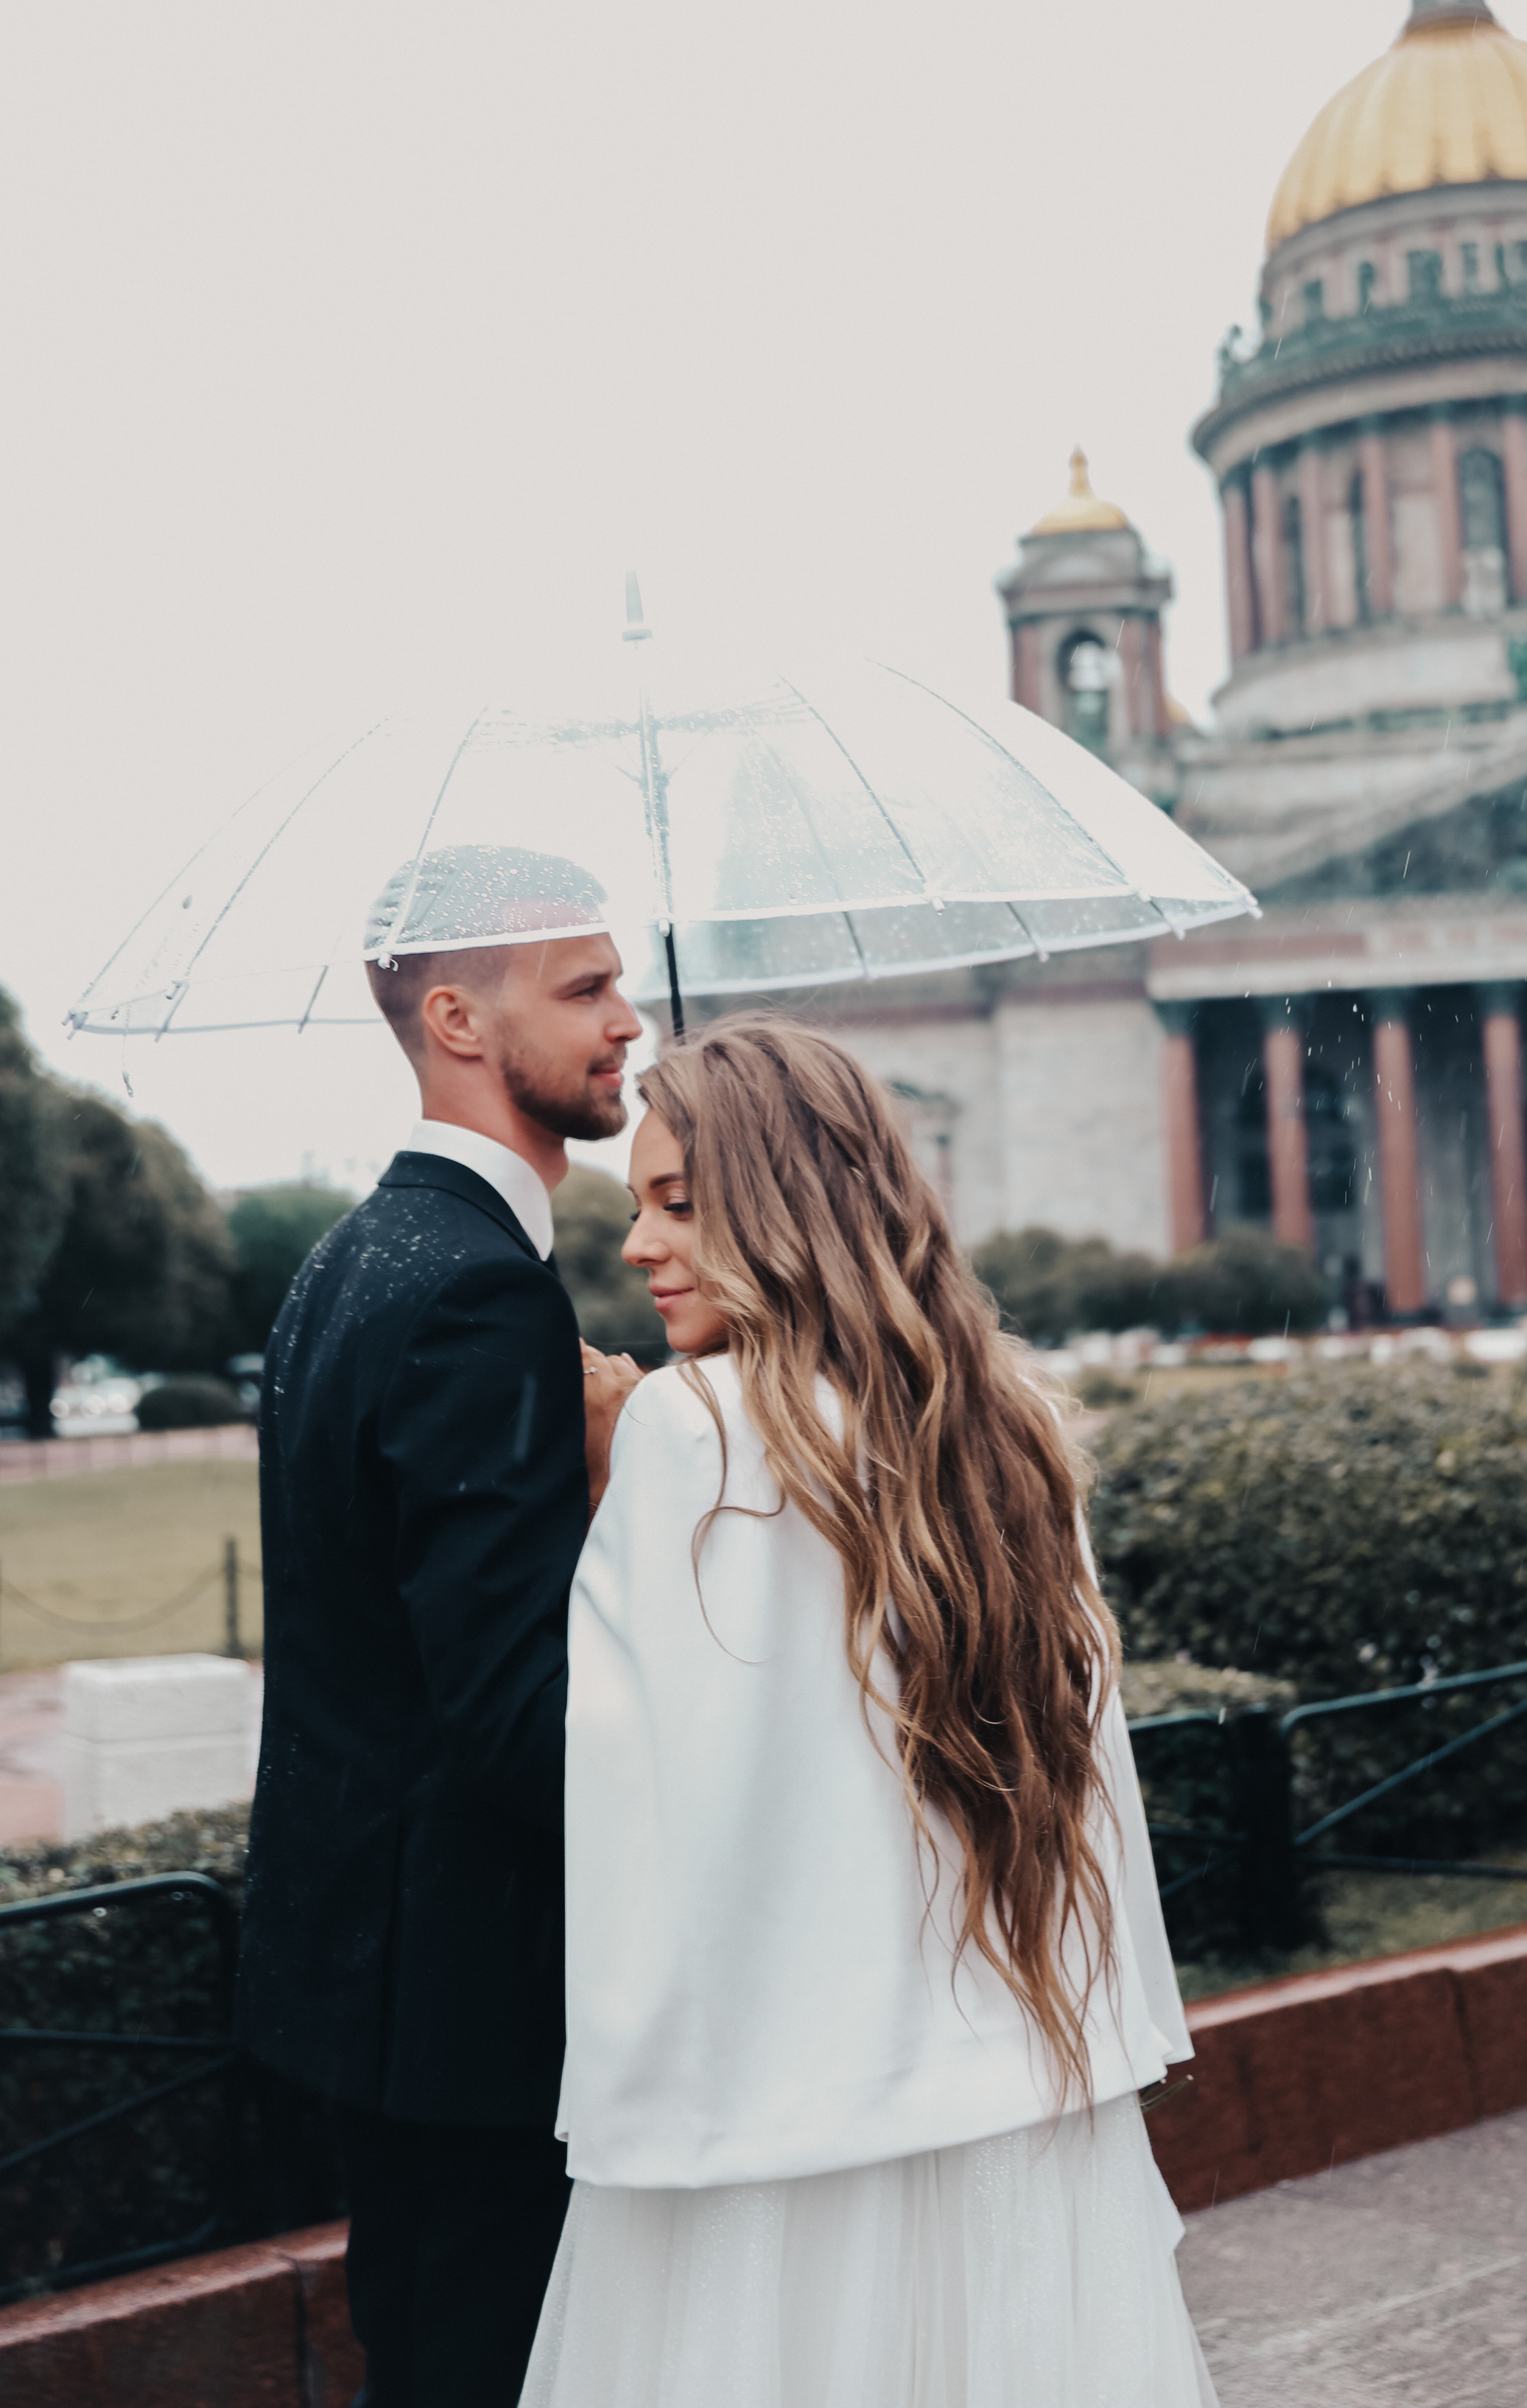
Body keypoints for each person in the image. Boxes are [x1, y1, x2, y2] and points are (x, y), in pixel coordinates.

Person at [522, 1015, 1218, 2407]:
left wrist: (605, 1498)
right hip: (1015, 2065)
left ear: (785, 1210)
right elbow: (1084, 1760)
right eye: (637, 1207)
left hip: (783, 2097)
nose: (638, 1248)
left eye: (677, 1204)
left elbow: (628, 1767)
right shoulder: (1008, 1425)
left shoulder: (683, 1432)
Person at [236, 844, 645, 2408]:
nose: (629, 1023)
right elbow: (506, 1715)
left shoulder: (346, 1264)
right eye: (587, 987)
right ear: (460, 1020)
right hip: (474, 1997)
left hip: (362, 1977)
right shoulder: (481, 1292)